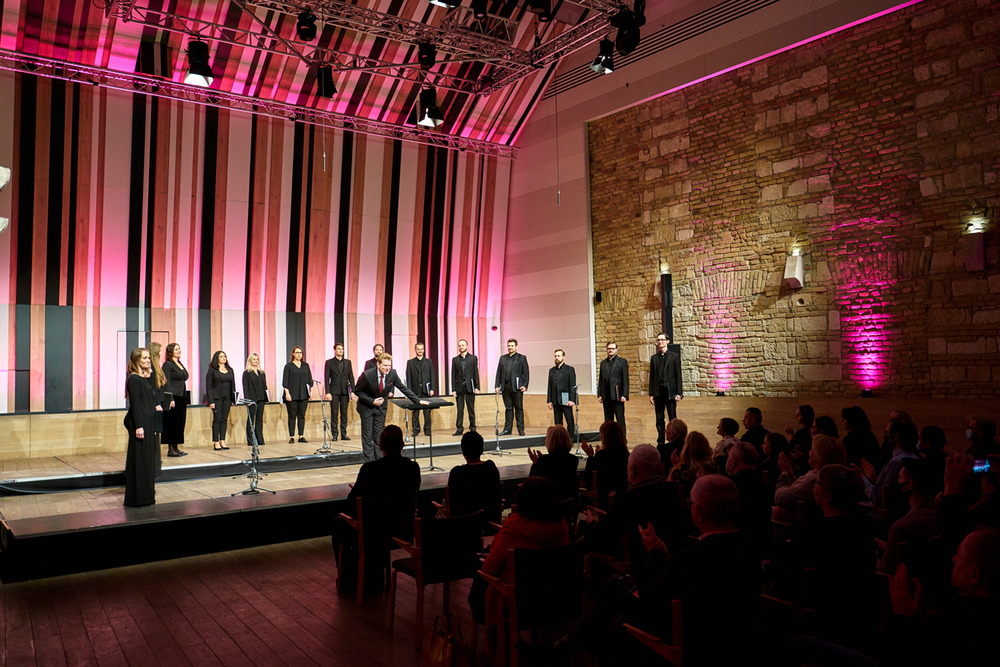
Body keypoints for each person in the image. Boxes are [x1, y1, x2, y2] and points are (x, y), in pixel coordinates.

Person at [474, 477, 570, 652]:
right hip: (558, 603)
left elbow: (489, 570)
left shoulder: (514, 531)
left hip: (519, 606)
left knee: (479, 577)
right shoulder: (562, 527)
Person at [330, 425, 421, 592]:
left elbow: (351, 504)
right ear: (402, 445)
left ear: (380, 446)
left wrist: (357, 491)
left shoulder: (370, 470)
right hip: (402, 530)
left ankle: (344, 577)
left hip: (372, 532)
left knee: (338, 522)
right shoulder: (413, 468)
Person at [354, 353, 428, 462]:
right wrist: (372, 401)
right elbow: (357, 391)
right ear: (378, 364)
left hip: (380, 409)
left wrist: (418, 400)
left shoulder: (392, 374)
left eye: (389, 365)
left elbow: (403, 388)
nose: (387, 368)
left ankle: (379, 462)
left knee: (379, 437)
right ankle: (369, 464)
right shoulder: (367, 375)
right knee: (367, 438)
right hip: (366, 408)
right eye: (385, 365)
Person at [774, 434, 847, 524]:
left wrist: (784, 473)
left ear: (819, 456)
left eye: (812, 449)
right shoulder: (838, 474)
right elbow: (800, 492)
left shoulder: (817, 478)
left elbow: (780, 498)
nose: (809, 451)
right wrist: (791, 476)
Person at [123, 347, 159, 507]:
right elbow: (136, 404)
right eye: (144, 358)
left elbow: (151, 399)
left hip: (149, 423)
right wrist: (139, 426)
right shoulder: (134, 379)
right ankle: (138, 497)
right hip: (140, 423)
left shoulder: (143, 378)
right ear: (137, 360)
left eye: (149, 358)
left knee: (148, 460)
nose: (147, 360)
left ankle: (147, 495)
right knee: (140, 460)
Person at [447, 431, 501, 524]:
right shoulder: (491, 468)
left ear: (463, 451)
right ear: (482, 449)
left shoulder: (457, 473)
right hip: (489, 524)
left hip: (462, 527)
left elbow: (450, 504)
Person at [580, 421, 630, 507]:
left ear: (605, 437)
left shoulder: (600, 456)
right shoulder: (626, 455)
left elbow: (589, 480)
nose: (600, 436)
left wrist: (591, 457)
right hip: (623, 499)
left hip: (601, 500)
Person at [528, 425, 580, 502]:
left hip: (547, 504)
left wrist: (535, 464)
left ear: (550, 441)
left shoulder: (543, 460)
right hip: (567, 503)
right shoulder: (573, 460)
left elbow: (531, 483)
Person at [648, 332, 682, 446]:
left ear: (668, 341)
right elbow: (652, 377)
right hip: (658, 392)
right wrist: (651, 394)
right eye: (658, 340)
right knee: (659, 419)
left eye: (662, 340)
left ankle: (675, 440)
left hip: (670, 392)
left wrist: (679, 392)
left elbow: (678, 375)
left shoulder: (674, 356)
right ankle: (661, 441)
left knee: (672, 418)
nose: (660, 342)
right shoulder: (654, 358)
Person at [494, 338, 529, 436]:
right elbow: (499, 373)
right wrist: (497, 385)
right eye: (509, 345)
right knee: (508, 409)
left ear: (516, 347)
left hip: (517, 388)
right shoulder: (502, 358)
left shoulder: (522, 358)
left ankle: (521, 430)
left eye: (512, 346)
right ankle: (507, 430)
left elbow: (526, 373)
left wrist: (525, 385)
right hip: (506, 387)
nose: (510, 347)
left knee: (519, 409)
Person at [161, 343, 189, 457]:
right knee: (171, 423)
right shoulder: (168, 364)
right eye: (176, 349)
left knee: (179, 423)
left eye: (179, 349)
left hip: (181, 397)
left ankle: (176, 447)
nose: (179, 351)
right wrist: (170, 398)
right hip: (173, 397)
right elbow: (166, 381)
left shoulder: (179, 364)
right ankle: (170, 449)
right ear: (171, 351)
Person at [323, 343, 355, 442]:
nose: (341, 351)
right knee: (334, 413)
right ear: (335, 350)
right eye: (338, 349)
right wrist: (328, 392)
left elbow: (351, 377)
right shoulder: (329, 362)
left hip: (345, 391)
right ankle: (335, 434)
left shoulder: (348, 362)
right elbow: (327, 378)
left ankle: (344, 434)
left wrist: (353, 391)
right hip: (334, 391)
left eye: (342, 349)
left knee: (344, 413)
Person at [282, 346, 314, 443]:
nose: (299, 354)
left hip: (303, 394)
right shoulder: (288, 366)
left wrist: (310, 391)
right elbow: (285, 382)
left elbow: (310, 380)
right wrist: (287, 394)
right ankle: (291, 436)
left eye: (301, 353)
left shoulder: (305, 365)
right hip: (292, 394)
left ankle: (301, 435)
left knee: (302, 415)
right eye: (297, 352)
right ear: (293, 354)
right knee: (292, 416)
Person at [597, 341, 628, 440]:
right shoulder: (603, 363)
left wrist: (625, 395)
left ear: (616, 350)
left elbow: (625, 379)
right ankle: (608, 441)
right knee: (608, 422)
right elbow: (601, 380)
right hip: (606, 397)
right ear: (607, 349)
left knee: (620, 421)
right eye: (609, 348)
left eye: (613, 348)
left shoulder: (622, 362)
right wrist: (600, 394)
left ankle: (622, 441)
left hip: (617, 396)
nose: (610, 350)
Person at [405, 342, 436, 438]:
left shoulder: (429, 361)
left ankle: (427, 430)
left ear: (424, 350)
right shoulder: (410, 362)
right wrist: (409, 392)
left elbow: (432, 376)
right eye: (418, 349)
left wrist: (432, 388)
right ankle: (416, 430)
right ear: (415, 350)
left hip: (426, 390)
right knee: (415, 412)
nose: (420, 351)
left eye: (421, 349)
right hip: (415, 391)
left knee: (427, 412)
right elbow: (408, 377)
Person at [206, 350, 235, 451]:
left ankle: (222, 440)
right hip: (217, 398)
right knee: (217, 420)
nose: (224, 358)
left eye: (225, 356)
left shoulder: (230, 370)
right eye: (221, 356)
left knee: (224, 419)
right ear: (216, 358)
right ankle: (216, 442)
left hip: (227, 398)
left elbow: (233, 385)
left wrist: (233, 399)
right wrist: (211, 401)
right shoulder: (212, 370)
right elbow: (209, 386)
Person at [146, 342, 167, 474]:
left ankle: (155, 461)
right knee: (154, 434)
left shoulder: (156, 366)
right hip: (154, 404)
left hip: (158, 402)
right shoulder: (152, 367)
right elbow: (152, 389)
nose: (161, 353)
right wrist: (157, 404)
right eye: (160, 350)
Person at [546, 349, 578, 438]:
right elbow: (550, 387)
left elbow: (572, 385)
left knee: (569, 421)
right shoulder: (551, 370)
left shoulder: (569, 369)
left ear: (563, 357)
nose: (556, 358)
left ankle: (570, 438)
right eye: (555, 356)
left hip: (566, 399)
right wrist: (549, 401)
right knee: (558, 423)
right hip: (556, 400)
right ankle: (559, 439)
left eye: (558, 356)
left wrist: (572, 400)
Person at [450, 338, 479, 436]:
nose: (461, 347)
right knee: (460, 409)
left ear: (467, 346)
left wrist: (477, 387)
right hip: (459, 388)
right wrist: (453, 389)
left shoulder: (473, 358)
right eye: (460, 345)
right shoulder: (455, 359)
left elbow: (476, 373)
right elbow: (453, 375)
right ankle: (459, 429)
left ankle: (472, 428)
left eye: (463, 345)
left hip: (470, 387)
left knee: (471, 408)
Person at [242, 353, 268, 448]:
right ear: (250, 361)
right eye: (254, 359)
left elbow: (264, 386)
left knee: (259, 419)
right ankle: (251, 440)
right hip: (252, 399)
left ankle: (259, 439)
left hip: (261, 398)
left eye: (257, 359)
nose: (256, 361)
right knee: (251, 419)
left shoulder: (261, 372)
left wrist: (266, 397)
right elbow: (246, 387)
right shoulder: (247, 373)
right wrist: (247, 400)